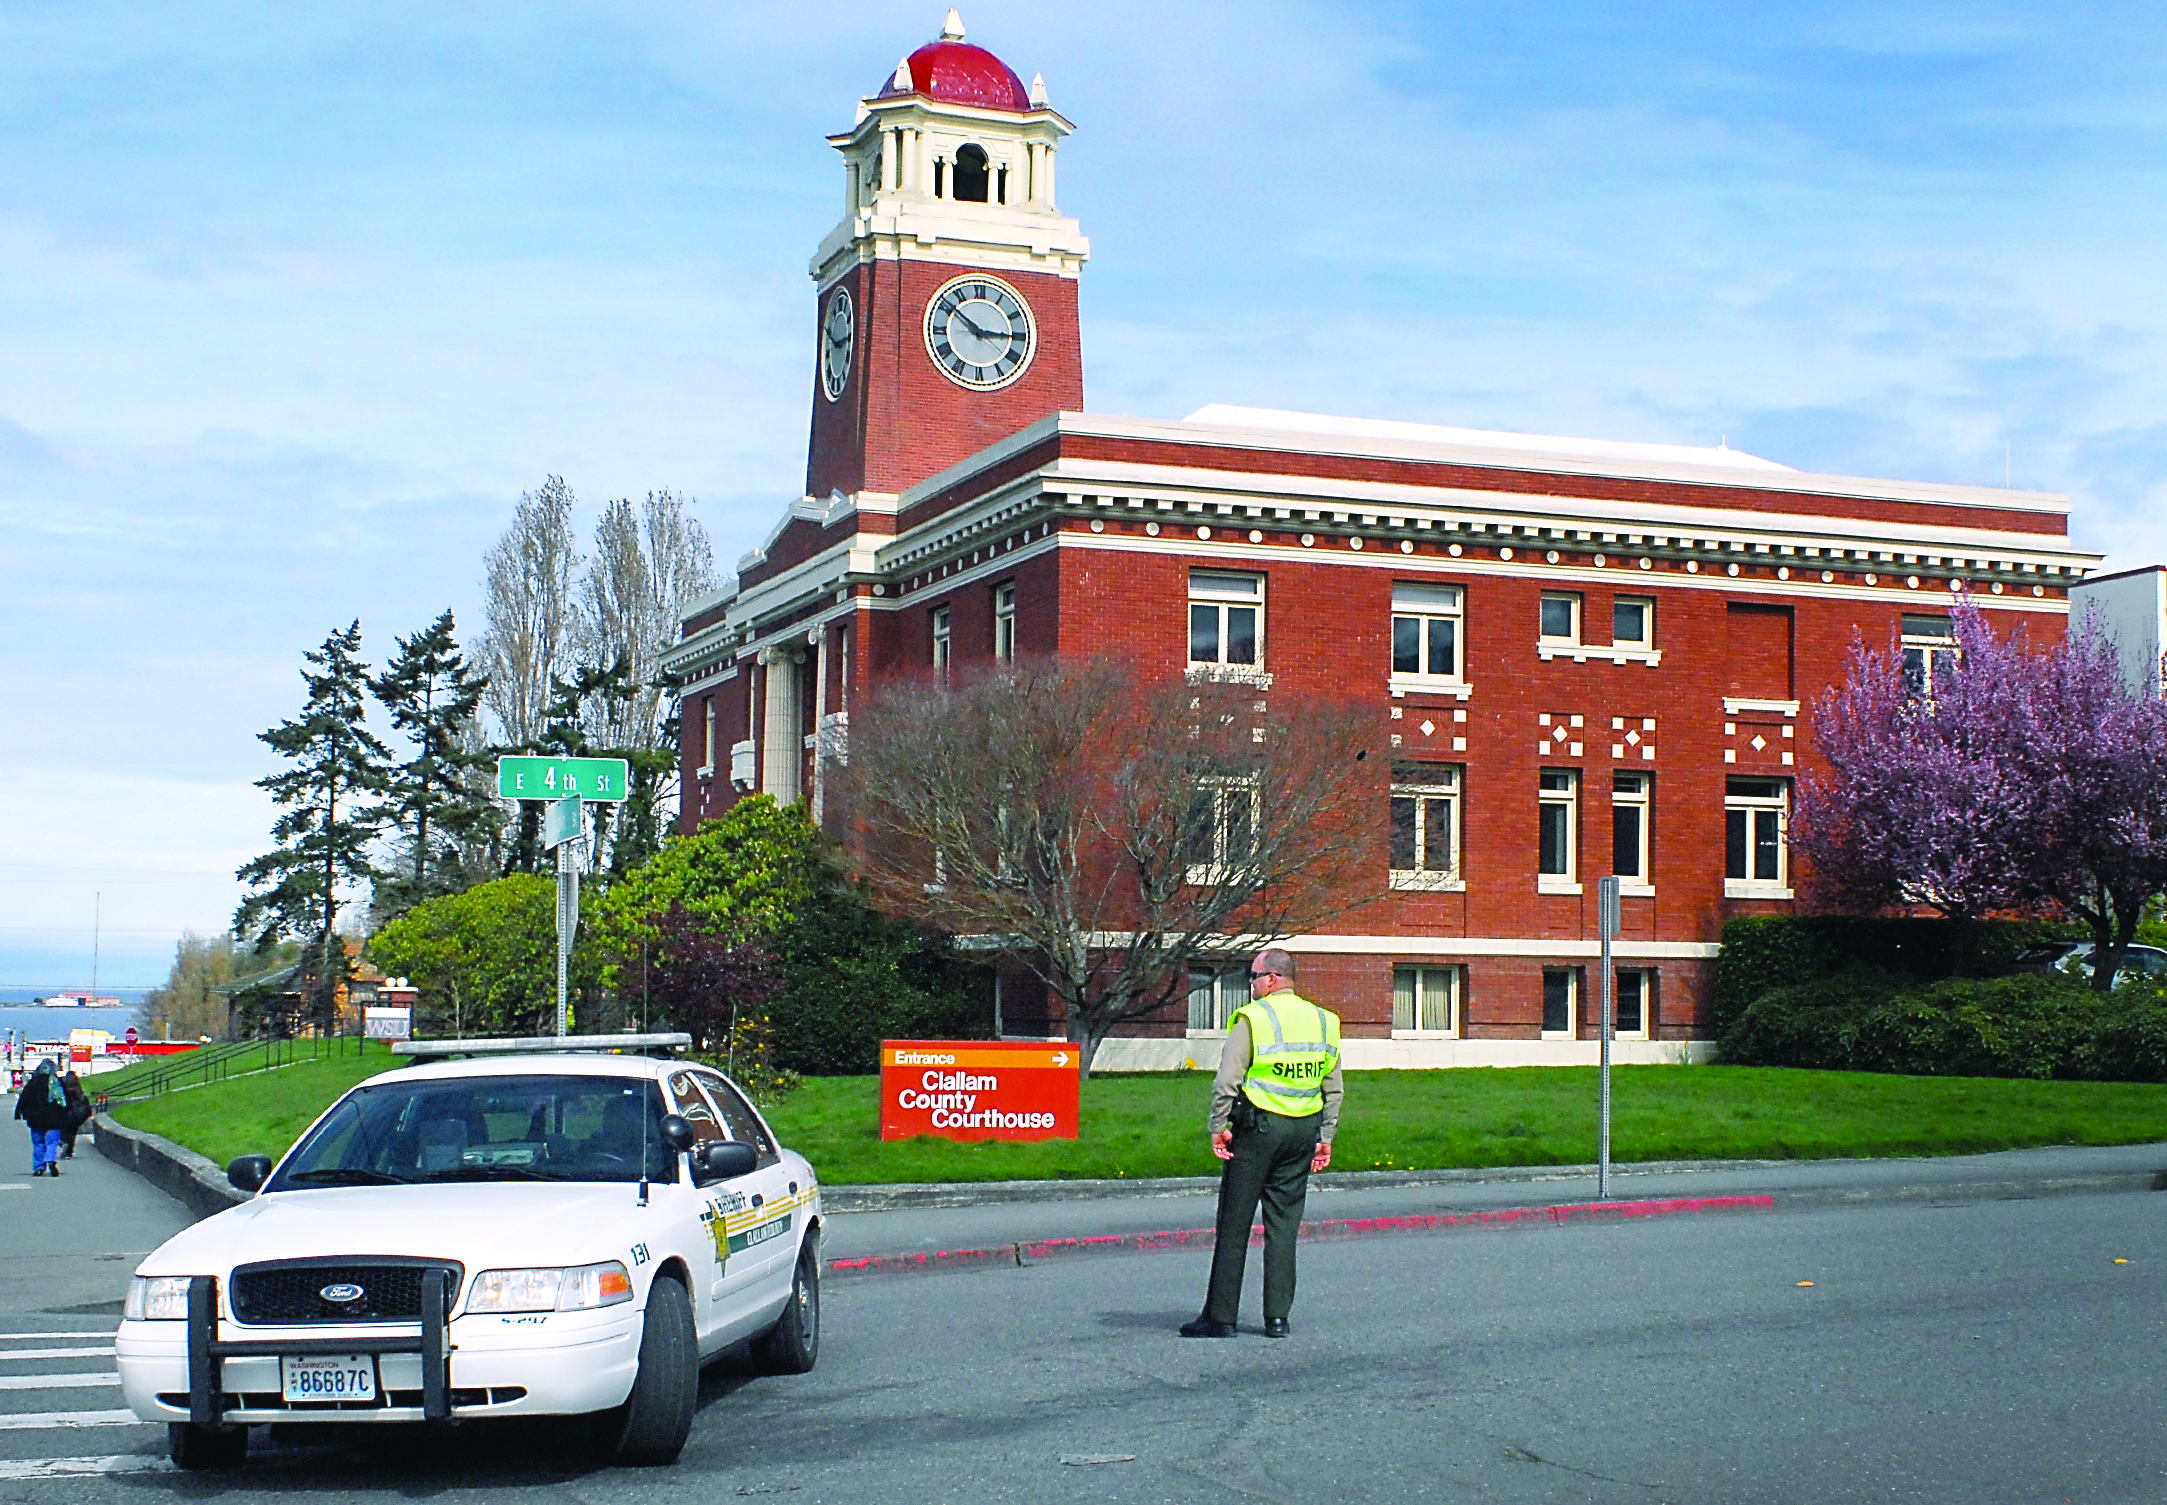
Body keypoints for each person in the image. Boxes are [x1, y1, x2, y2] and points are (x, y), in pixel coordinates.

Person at [1181, 948, 1343, 1339]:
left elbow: (1227, 1079)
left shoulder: (1255, 1018)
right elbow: (1333, 1086)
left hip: (1258, 1130)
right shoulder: (1325, 1021)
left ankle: (1221, 1317)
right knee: (1284, 1225)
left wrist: (1218, 1125)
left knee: (1234, 1222)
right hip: (1303, 1129)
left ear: (1271, 978)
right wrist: (1326, 1136)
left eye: (1252, 976)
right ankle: (1277, 1318)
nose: (1249, 984)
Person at [15, 1060, 74, 1178]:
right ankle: (51, 1160)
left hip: (35, 1119)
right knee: (52, 1142)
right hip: (55, 1119)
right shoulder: (57, 1083)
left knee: (38, 1143)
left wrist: (19, 1113)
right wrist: (67, 1115)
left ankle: (39, 1167)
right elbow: (67, 1102)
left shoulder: (32, 1083)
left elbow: (24, 1100)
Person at [59, 1070, 90, 1158]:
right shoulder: (77, 1087)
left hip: (66, 1112)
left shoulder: (63, 1085)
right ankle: (69, 1150)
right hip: (76, 1113)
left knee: (64, 1130)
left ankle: (64, 1142)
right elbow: (82, 1100)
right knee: (72, 1133)